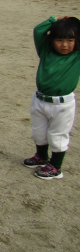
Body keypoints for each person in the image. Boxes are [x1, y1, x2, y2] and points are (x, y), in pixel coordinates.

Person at [23, 16, 80, 180]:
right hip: (40, 100)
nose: (64, 45)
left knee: (58, 135)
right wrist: (54, 20)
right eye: (59, 40)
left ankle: (55, 167)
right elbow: (38, 30)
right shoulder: (45, 51)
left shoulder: (76, 57)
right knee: (39, 132)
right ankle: (41, 157)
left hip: (62, 105)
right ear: (51, 40)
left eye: (70, 40)